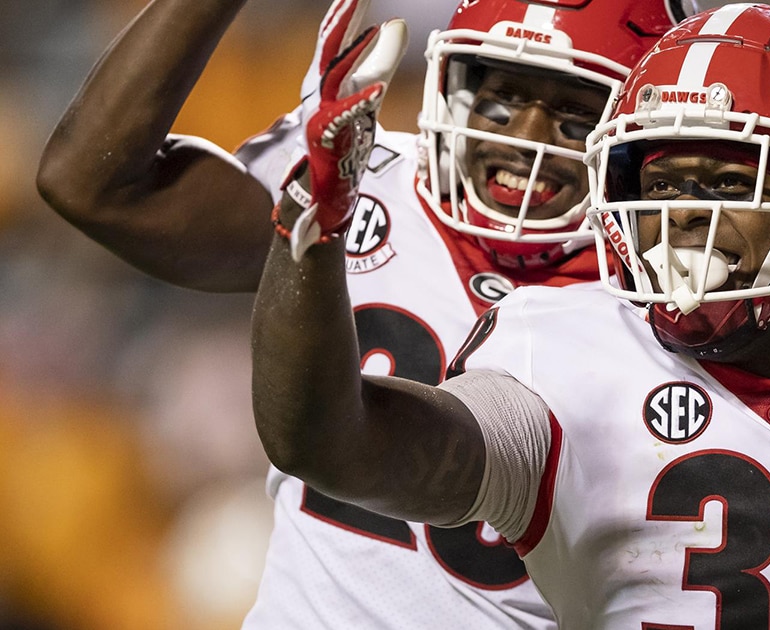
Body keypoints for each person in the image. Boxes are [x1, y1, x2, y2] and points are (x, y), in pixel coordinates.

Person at [251, 3, 770, 628]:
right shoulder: (559, 358)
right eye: (657, 183)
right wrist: (310, 232)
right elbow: (331, 443)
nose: (681, 214)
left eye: (729, 182)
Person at [34, 0, 703, 626]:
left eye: (576, 119)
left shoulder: (686, 306)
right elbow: (93, 185)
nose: (526, 143)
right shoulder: (360, 176)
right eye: (502, 103)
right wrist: (312, 208)